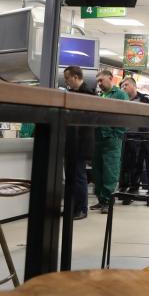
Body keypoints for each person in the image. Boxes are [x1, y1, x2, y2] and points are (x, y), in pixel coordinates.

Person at [91, 69, 129, 213]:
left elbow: (126, 116)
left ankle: (107, 201)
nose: (99, 84)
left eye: (101, 80)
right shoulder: (101, 96)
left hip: (112, 140)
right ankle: (101, 200)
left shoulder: (120, 95)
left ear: (110, 78)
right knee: (98, 171)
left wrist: (116, 134)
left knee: (110, 171)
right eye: (98, 82)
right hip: (99, 138)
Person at [63, 66, 95, 219]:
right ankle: (71, 207)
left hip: (81, 141)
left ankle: (81, 209)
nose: (66, 81)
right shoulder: (71, 93)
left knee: (78, 175)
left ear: (75, 77)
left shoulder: (88, 94)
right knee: (70, 176)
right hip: (71, 140)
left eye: (67, 78)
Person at [119, 76, 149, 202]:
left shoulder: (144, 99)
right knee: (126, 166)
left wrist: (145, 133)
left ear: (134, 86)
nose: (123, 87)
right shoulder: (121, 100)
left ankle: (144, 193)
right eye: (122, 86)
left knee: (140, 166)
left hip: (140, 137)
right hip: (125, 137)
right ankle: (126, 193)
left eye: (126, 85)